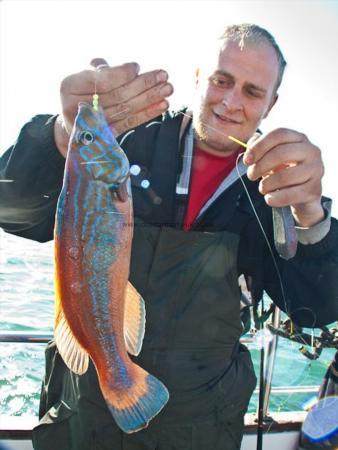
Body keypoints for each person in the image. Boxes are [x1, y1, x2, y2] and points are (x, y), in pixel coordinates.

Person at [1, 24, 338, 450]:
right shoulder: (124, 140)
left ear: (271, 104)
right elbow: (11, 212)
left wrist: (311, 217)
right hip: (83, 420)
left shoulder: (277, 190)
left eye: (253, 92)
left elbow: (315, 309)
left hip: (200, 430)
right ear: (199, 77)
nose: (231, 102)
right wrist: (58, 139)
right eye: (221, 80)